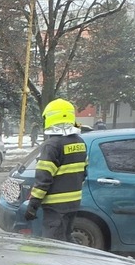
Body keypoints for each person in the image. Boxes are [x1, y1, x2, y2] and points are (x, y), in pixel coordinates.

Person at [23, 98, 88, 242]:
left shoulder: (52, 145)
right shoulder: (80, 142)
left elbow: (43, 179)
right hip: (73, 203)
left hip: (55, 207)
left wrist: (33, 205)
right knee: (66, 238)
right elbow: (84, 173)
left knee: (54, 245)